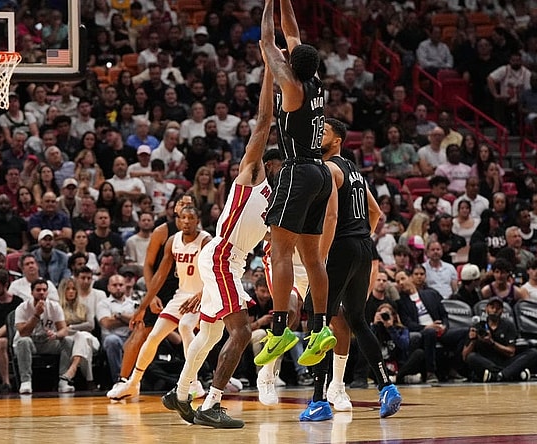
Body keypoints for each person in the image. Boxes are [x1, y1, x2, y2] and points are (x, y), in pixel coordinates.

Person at [161, 66, 277, 428]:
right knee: (241, 332)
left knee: (211, 333)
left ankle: (180, 392)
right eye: (277, 163)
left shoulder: (278, 202)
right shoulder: (252, 175)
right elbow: (263, 121)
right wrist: (270, 72)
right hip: (222, 256)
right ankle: (212, 403)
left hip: (228, 261)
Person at [299, 117, 401, 422]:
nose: (318, 135)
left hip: (342, 248)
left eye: (324, 132)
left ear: (337, 140)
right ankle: (387, 387)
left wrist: (320, 258)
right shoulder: (353, 170)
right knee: (357, 319)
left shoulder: (329, 169)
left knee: (317, 317)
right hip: (363, 247)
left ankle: (319, 401)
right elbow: (376, 212)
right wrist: (361, 238)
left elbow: (331, 217)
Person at [254, 0, 334, 369]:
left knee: (280, 252)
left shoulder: (291, 86)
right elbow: (293, 33)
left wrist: (268, 5)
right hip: (320, 172)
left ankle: (280, 330)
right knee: (313, 258)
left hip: (298, 171)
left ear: (291, 65)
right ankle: (319, 327)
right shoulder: (315, 82)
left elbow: (267, 42)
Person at [107, 206, 211, 401]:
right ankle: (133, 383)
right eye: (183, 217)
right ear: (178, 220)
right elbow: (159, 276)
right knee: (154, 336)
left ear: (198, 220)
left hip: (202, 294)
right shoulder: (173, 241)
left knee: (185, 326)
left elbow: (214, 274)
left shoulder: (206, 241)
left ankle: (193, 383)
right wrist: (142, 307)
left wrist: (201, 294)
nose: (186, 221)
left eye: (191, 217)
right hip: (181, 295)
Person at [13, 278, 75, 394]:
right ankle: (26, 381)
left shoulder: (54, 306)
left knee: (68, 341)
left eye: (44, 290)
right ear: (31, 292)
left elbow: (64, 330)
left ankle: (63, 380)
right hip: (30, 343)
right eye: (38, 290)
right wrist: (36, 315)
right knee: (23, 341)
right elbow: (23, 333)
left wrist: (56, 335)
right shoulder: (22, 308)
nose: (41, 292)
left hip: (47, 342)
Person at [462, 297, 537, 382]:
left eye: (498, 308)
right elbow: (465, 357)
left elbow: (511, 352)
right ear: (486, 309)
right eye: (492, 307)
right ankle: (509, 374)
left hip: (506, 361)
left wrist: (492, 343)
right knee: (472, 357)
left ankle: (496, 376)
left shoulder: (508, 325)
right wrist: (473, 340)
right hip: (486, 362)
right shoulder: (478, 326)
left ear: (502, 311)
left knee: (533, 353)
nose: (495, 310)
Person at [57, 278, 101, 389]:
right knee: (85, 347)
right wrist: (80, 326)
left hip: (90, 338)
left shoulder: (84, 307)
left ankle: (73, 368)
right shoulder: (58, 308)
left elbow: (91, 325)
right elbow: (60, 328)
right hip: (71, 341)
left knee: (82, 336)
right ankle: (90, 381)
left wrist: (71, 327)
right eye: (68, 289)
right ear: (62, 291)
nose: (71, 291)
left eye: (73, 289)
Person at [97, 274, 138, 383]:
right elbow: (107, 323)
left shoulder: (133, 303)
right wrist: (129, 320)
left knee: (143, 338)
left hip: (131, 337)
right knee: (112, 340)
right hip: (112, 338)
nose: (118, 287)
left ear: (125, 286)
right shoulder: (103, 304)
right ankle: (120, 379)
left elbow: (139, 322)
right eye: (114, 285)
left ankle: (139, 380)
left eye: (120, 285)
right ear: (108, 287)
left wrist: (119, 315)